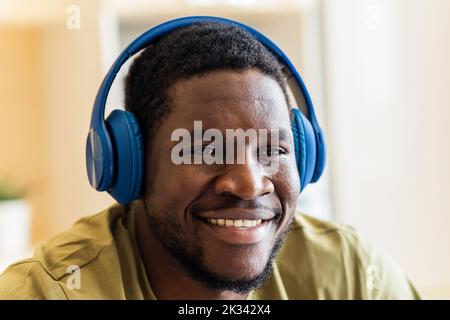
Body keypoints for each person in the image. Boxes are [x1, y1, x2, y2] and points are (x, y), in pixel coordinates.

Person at [0, 19, 420, 300]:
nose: (249, 182)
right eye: (203, 148)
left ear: (305, 159)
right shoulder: (48, 292)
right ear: (133, 165)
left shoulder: (353, 276)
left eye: (273, 150)